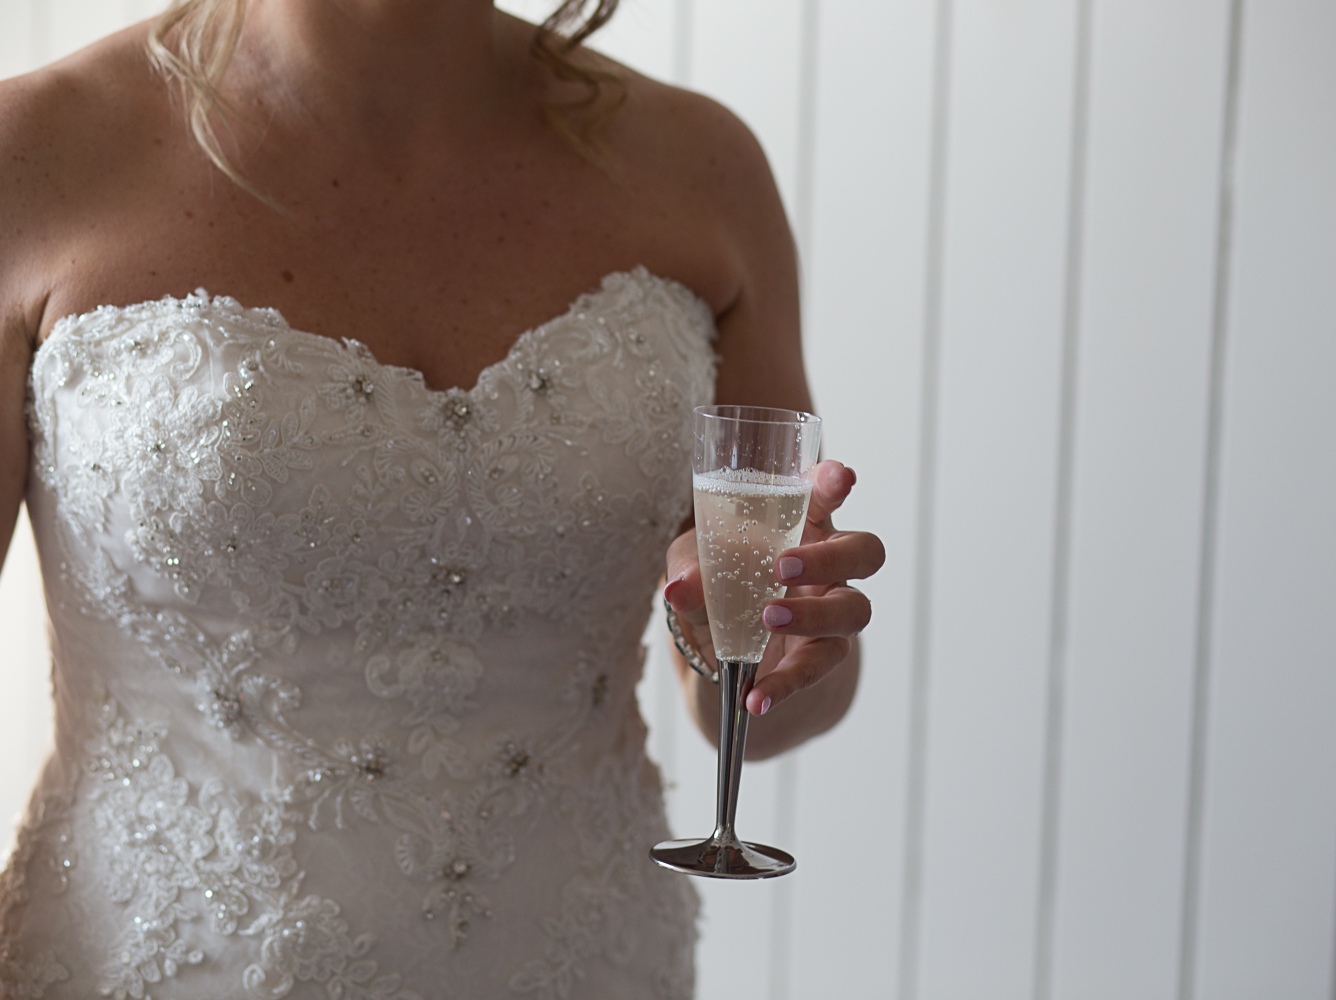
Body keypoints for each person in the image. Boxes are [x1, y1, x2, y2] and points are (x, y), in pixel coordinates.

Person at [0, 0, 884, 997]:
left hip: (588, 962)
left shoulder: (706, 171)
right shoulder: (30, 155)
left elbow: (759, 691)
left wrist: (778, 640)